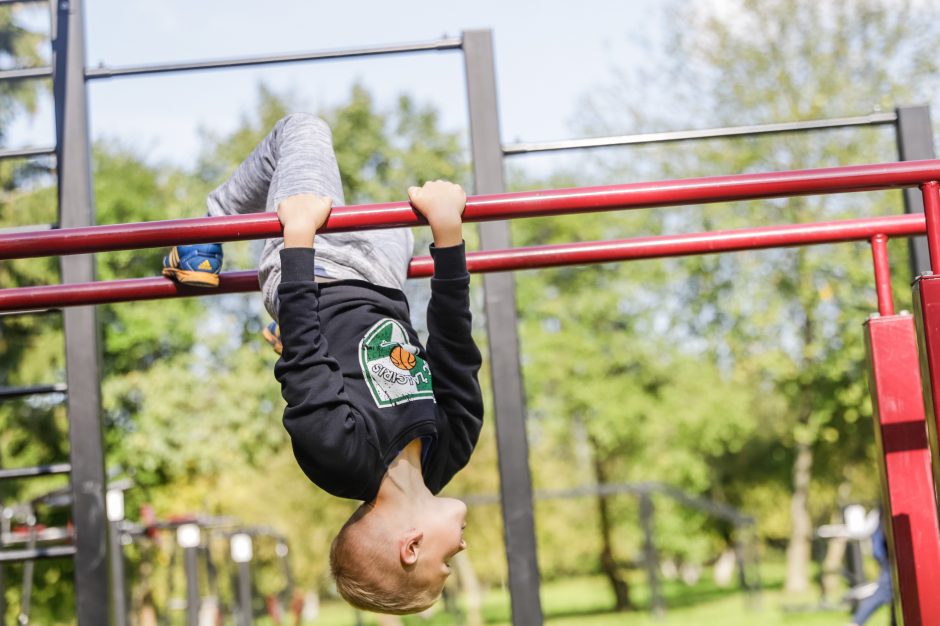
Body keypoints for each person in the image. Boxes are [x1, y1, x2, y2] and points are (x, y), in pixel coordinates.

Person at [162, 113, 484, 615]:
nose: (462, 550)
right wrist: (447, 238)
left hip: (315, 271)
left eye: (445, 566)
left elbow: (308, 366)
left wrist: (297, 239)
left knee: (304, 129)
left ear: (412, 546)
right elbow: (455, 348)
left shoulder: (339, 460)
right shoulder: (451, 448)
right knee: (403, 218)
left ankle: (210, 223)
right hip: (384, 280)